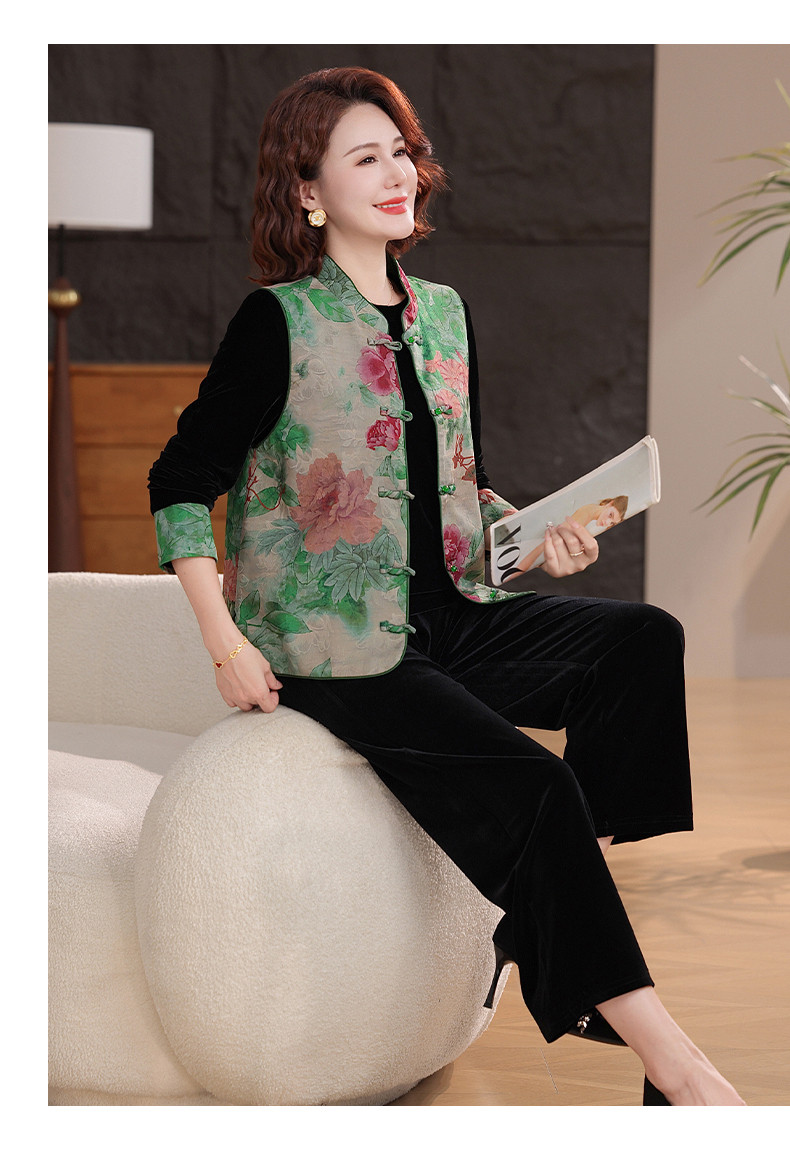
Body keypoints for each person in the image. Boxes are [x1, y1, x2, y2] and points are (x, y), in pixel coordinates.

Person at [148, 66, 744, 1106]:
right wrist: (224, 642)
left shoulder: (444, 314)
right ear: (307, 191)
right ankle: (678, 1072)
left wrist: (537, 537)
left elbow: (448, 481)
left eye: (402, 152)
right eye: (365, 158)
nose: (398, 175)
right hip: (332, 644)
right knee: (540, 787)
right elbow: (180, 481)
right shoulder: (277, 322)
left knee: (643, 642)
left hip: (456, 612)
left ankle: (544, 912)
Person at [514, 496, 629, 575]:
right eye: (610, 515)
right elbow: (547, 542)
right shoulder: (588, 512)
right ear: (610, 504)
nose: (607, 523)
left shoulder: (590, 515)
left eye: (612, 523)